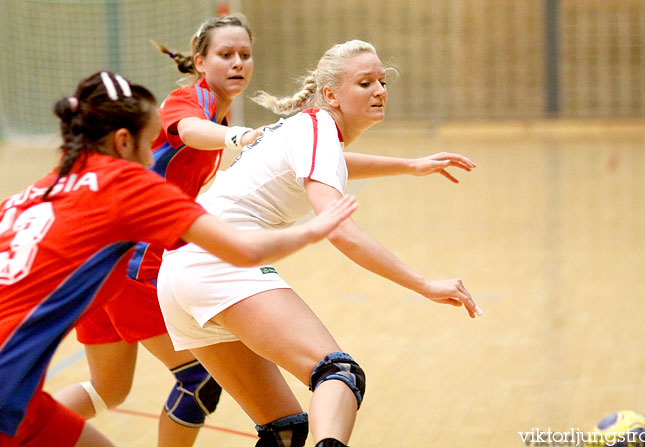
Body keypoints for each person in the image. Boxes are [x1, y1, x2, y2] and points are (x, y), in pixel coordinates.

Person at [54, 13, 478, 447]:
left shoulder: (307, 132)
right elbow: (341, 231)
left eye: (382, 81)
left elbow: (329, 164)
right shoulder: (269, 119)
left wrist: (410, 166)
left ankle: (26, 425)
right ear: (330, 94)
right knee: (338, 374)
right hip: (193, 261)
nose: (380, 91)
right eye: (365, 83)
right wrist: (424, 284)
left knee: (283, 429)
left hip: (178, 276)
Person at [0, 71, 357, 447]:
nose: (152, 152)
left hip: (22, 397)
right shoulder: (127, 184)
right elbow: (244, 250)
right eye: (150, 140)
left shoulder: (31, 194)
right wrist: (317, 228)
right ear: (124, 141)